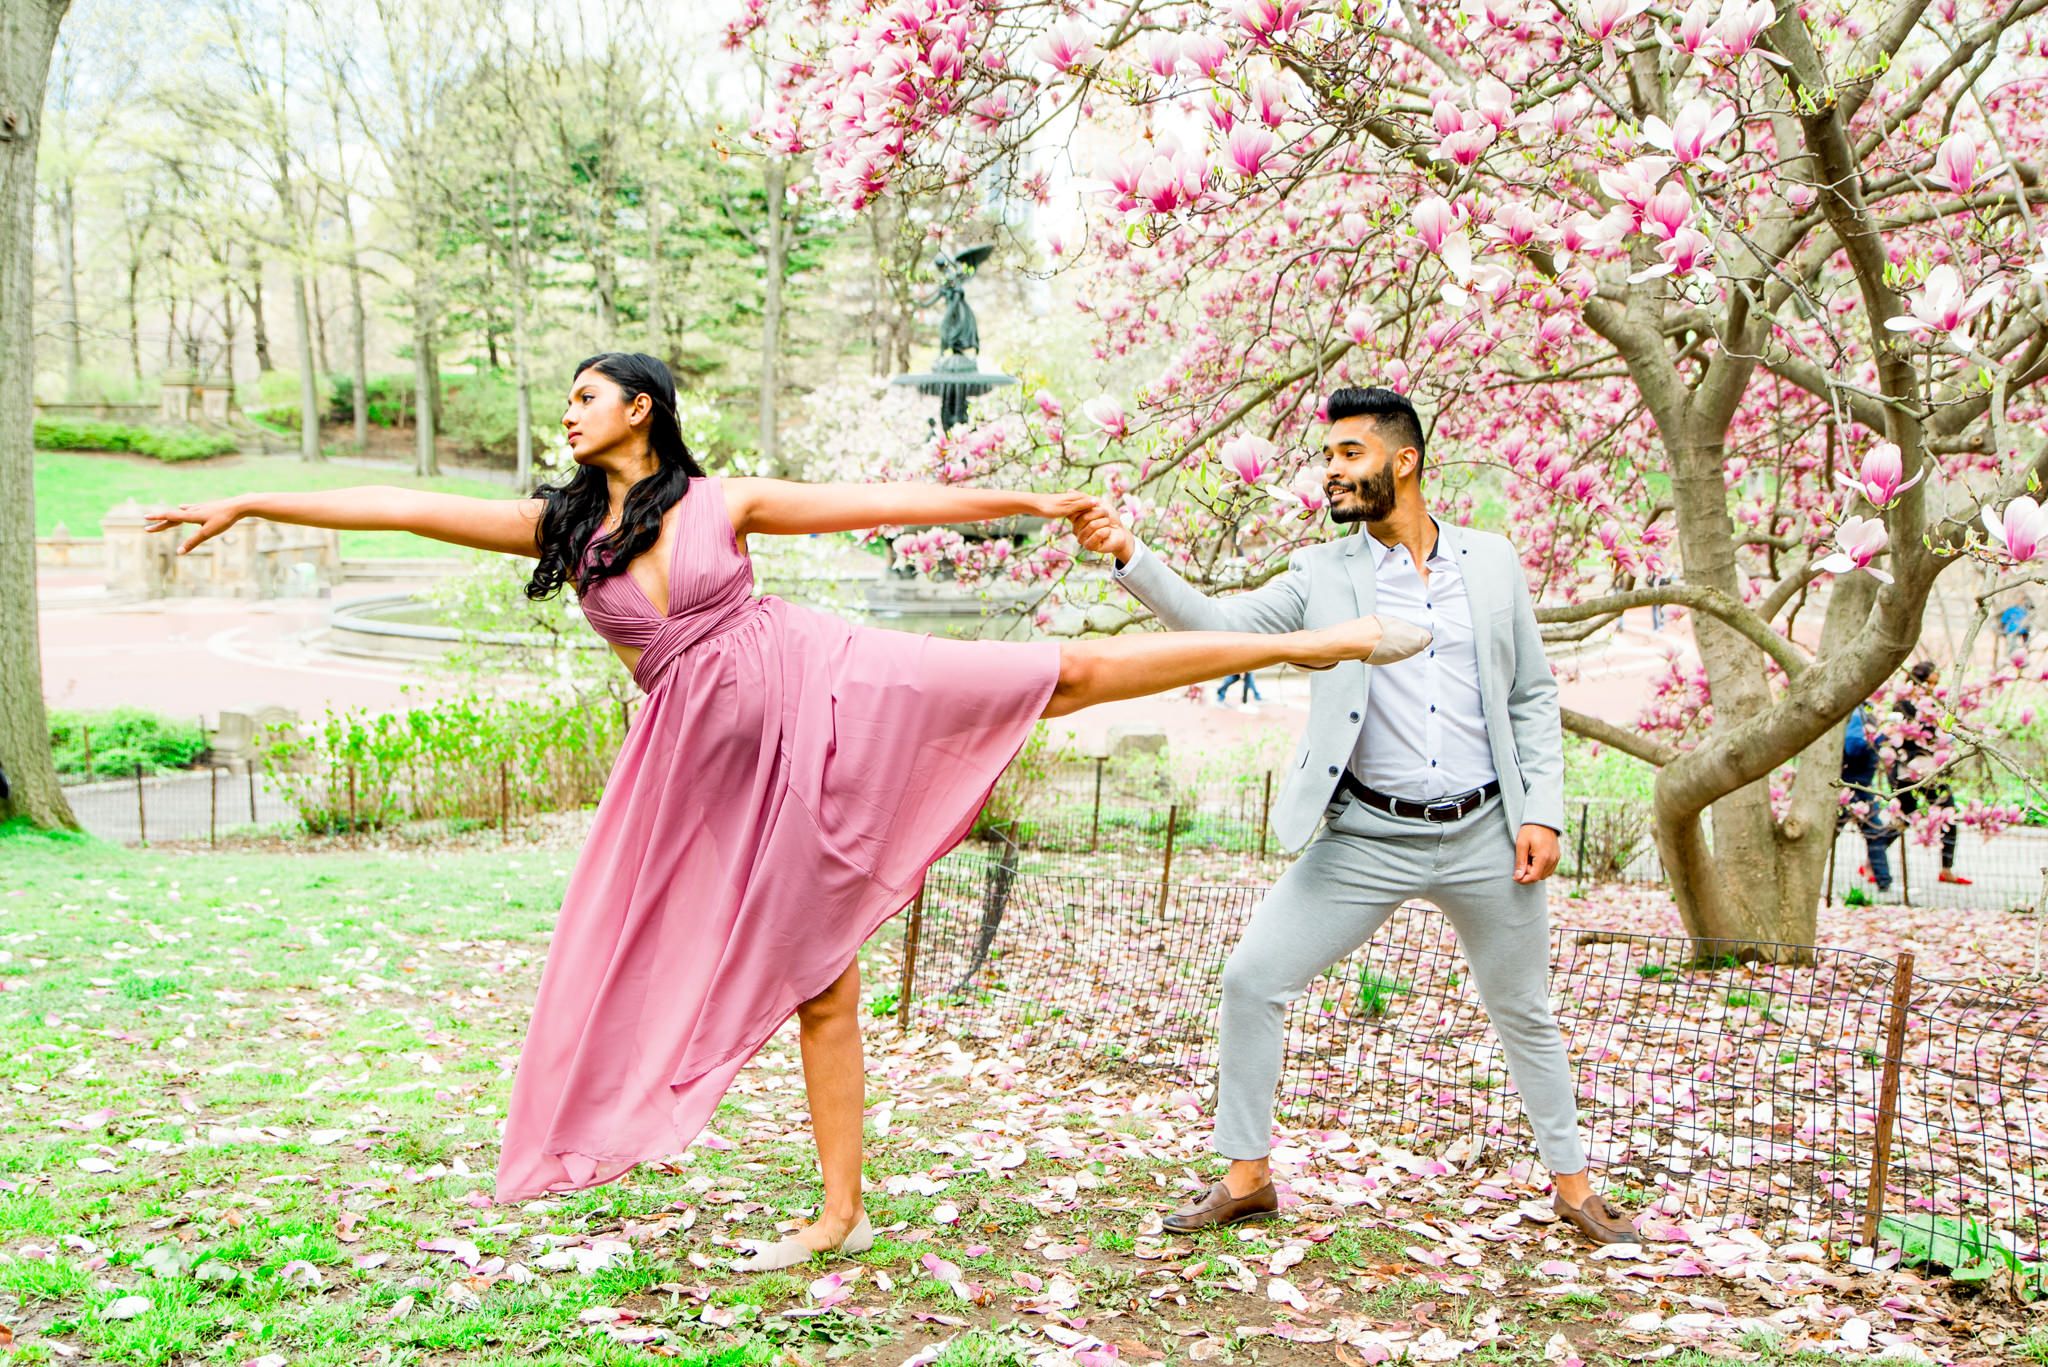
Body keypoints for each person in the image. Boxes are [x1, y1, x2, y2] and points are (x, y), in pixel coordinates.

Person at [145, 353, 1431, 1270]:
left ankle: (1333, 642)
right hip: (708, 776)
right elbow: (403, 507)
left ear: (638, 408)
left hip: (831, 682)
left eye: (582, 397)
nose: (565, 416)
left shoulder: (723, 500)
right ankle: (838, 1210)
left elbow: (884, 503)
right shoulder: (562, 528)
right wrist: (256, 495)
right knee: (818, 985)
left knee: (1061, 677)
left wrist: (1026, 503)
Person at [1073, 386, 1637, 1247]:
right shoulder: (1320, 575)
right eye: (1326, 456)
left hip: (1489, 831)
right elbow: (1219, 628)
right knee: (1251, 978)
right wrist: (1130, 555)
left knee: (1524, 1006)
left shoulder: (1491, 563)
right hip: (1365, 834)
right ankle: (1247, 1176)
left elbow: (1530, 694)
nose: (1330, 471)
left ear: (1402, 462)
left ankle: (1574, 1186)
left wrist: (1544, 813)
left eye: (1348, 455)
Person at [1891, 662, 1969, 886]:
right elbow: (1896, 739)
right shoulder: (1903, 706)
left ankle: (1946, 868)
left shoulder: (1936, 706)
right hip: (1911, 770)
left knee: (1945, 816)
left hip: (1932, 769)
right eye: (1928, 682)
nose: (1931, 687)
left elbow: (1945, 732)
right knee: (1906, 818)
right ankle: (1872, 860)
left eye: (1935, 683)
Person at [1839, 702, 1900, 894]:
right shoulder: (1857, 714)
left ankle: (1884, 881)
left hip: (1861, 786)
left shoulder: (1863, 711)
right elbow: (1854, 748)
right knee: (1874, 833)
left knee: (1875, 833)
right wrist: (1881, 736)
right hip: (1852, 787)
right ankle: (1884, 881)